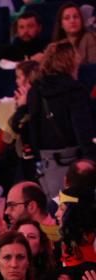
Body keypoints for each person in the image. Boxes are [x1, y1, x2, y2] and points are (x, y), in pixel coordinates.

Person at [27, 39, 94, 198]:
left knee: (56, 213)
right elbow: (83, 130)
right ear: (71, 61)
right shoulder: (75, 90)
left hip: (48, 165)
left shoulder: (35, 90)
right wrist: (91, 159)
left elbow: (33, 131)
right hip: (75, 165)